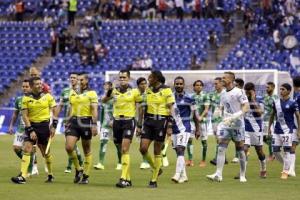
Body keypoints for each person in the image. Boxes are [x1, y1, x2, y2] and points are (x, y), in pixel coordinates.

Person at [11, 77, 58, 184]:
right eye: (37, 84)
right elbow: (24, 116)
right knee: (27, 149)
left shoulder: (48, 96)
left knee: (45, 152)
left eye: (41, 83)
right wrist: (31, 130)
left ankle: (50, 174)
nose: (40, 85)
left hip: (44, 127)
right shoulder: (26, 99)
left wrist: (54, 126)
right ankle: (23, 176)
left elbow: (55, 111)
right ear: (32, 86)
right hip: (31, 126)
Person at [207, 71, 249, 183]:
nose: (222, 80)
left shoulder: (239, 92)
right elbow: (221, 106)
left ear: (230, 80)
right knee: (221, 148)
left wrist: (236, 116)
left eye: (224, 78)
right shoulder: (223, 93)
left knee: (240, 150)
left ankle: (242, 174)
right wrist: (217, 111)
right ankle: (218, 174)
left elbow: (246, 107)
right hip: (226, 125)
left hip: (238, 125)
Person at [102, 70, 142, 188]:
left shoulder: (135, 92)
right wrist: (109, 92)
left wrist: (139, 124)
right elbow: (103, 101)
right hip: (116, 122)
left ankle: (123, 178)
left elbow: (140, 107)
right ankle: (128, 178)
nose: (122, 79)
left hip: (129, 121)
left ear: (129, 78)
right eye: (120, 77)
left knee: (125, 149)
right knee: (121, 150)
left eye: (124, 77)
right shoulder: (114, 91)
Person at [137, 70, 175, 188]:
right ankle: (156, 168)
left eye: (150, 78)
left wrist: (169, 125)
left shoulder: (166, 90)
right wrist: (139, 125)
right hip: (148, 122)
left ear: (157, 79)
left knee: (156, 151)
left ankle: (153, 180)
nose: (148, 80)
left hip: (161, 121)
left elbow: (171, 108)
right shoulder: (148, 91)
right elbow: (142, 109)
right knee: (142, 149)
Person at [65, 73, 98, 184]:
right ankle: (79, 169)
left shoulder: (92, 93)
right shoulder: (72, 92)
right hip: (74, 121)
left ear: (87, 80)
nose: (79, 82)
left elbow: (94, 110)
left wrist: (94, 124)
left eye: (82, 80)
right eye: (78, 80)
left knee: (86, 150)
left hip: (86, 122)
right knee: (69, 147)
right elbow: (71, 109)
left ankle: (86, 176)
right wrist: (67, 121)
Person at [268, 83, 300, 179]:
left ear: (289, 91)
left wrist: (298, 130)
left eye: (283, 89)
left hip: (287, 131)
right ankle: (288, 165)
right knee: (275, 151)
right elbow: (272, 115)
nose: (281, 91)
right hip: (277, 130)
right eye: (280, 89)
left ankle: (285, 171)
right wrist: (269, 127)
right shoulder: (276, 102)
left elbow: (298, 116)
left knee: (287, 151)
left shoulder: (293, 103)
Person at [171, 76, 200, 183]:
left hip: (185, 127)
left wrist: (198, 129)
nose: (179, 85)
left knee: (180, 149)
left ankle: (177, 174)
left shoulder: (189, 98)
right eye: (177, 84)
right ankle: (184, 176)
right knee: (178, 153)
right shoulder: (170, 97)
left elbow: (195, 115)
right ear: (174, 85)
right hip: (174, 128)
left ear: (184, 85)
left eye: (180, 84)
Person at [8, 80, 37, 176]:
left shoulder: (35, 99)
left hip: (31, 127)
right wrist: (11, 125)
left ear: (31, 87)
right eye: (23, 86)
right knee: (16, 148)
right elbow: (15, 114)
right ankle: (29, 162)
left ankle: (28, 170)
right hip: (20, 128)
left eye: (26, 86)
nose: (24, 88)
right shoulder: (18, 99)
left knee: (28, 148)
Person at [57, 72, 83, 173]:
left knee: (72, 145)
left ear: (78, 80)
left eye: (74, 78)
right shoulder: (65, 91)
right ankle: (79, 162)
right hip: (68, 121)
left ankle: (71, 165)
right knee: (70, 145)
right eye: (71, 78)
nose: (72, 79)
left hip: (79, 120)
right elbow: (61, 105)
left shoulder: (81, 92)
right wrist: (56, 119)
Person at [94, 81, 122, 171]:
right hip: (105, 125)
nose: (105, 87)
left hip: (115, 124)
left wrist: (114, 120)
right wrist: (101, 124)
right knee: (103, 142)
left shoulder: (115, 98)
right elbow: (102, 112)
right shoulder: (103, 98)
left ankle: (120, 162)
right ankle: (101, 163)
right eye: (104, 85)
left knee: (118, 145)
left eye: (107, 86)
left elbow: (119, 110)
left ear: (110, 87)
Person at [243, 82, 267, 178]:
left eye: (248, 92)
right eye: (246, 92)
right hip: (245, 129)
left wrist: (253, 99)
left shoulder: (260, 99)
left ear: (253, 91)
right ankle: (242, 172)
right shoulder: (243, 100)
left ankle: (263, 169)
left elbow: (260, 113)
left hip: (256, 129)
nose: (247, 94)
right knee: (244, 149)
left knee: (259, 151)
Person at [187, 80, 210, 167]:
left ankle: (203, 160)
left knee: (204, 141)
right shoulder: (191, 97)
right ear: (194, 87)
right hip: (192, 122)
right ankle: (190, 160)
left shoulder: (205, 96)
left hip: (203, 121)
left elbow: (206, 109)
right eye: (197, 85)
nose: (199, 86)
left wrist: (200, 117)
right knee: (189, 140)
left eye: (200, 85)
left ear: (202, 87)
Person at [209, 77, 227, 165]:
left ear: (221, 83)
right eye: (214, 84)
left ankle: (217, 158)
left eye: (216, 83)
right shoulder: (212, 94)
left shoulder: (225, 93)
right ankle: (224, 157)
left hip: (223, 120)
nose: (215, 85)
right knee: (218, 138)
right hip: (214, 120)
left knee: (221, 138)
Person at [137, 77, 151, 170]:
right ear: (138, 85)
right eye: (142, 84)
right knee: (142, 143)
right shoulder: (134, 94)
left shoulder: (149, 94)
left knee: (159, 144)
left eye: (145, 83)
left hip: (151, 121)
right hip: (139, 121)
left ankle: (162, 157)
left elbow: (142, 111)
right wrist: (139, 125)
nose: (144, 85)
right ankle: (145, 161)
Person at [263, 82, 278, 161]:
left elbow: (277, 110)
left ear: (273, 88)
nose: (266, 89)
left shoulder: (275, 98)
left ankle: (271, 155)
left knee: (269, 137)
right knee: (263, 137)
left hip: (272, 120)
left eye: (268, 87)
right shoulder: (265, 97)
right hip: (264, 120)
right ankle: (275, 146)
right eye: (266, 87)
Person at [290, 77, 300, 176]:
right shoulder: (296, 95)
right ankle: (291, 169)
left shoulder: (298, 96)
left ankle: (291, 170)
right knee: (292, 146)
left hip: (297, 125)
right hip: (295, 124)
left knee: (292, 146)